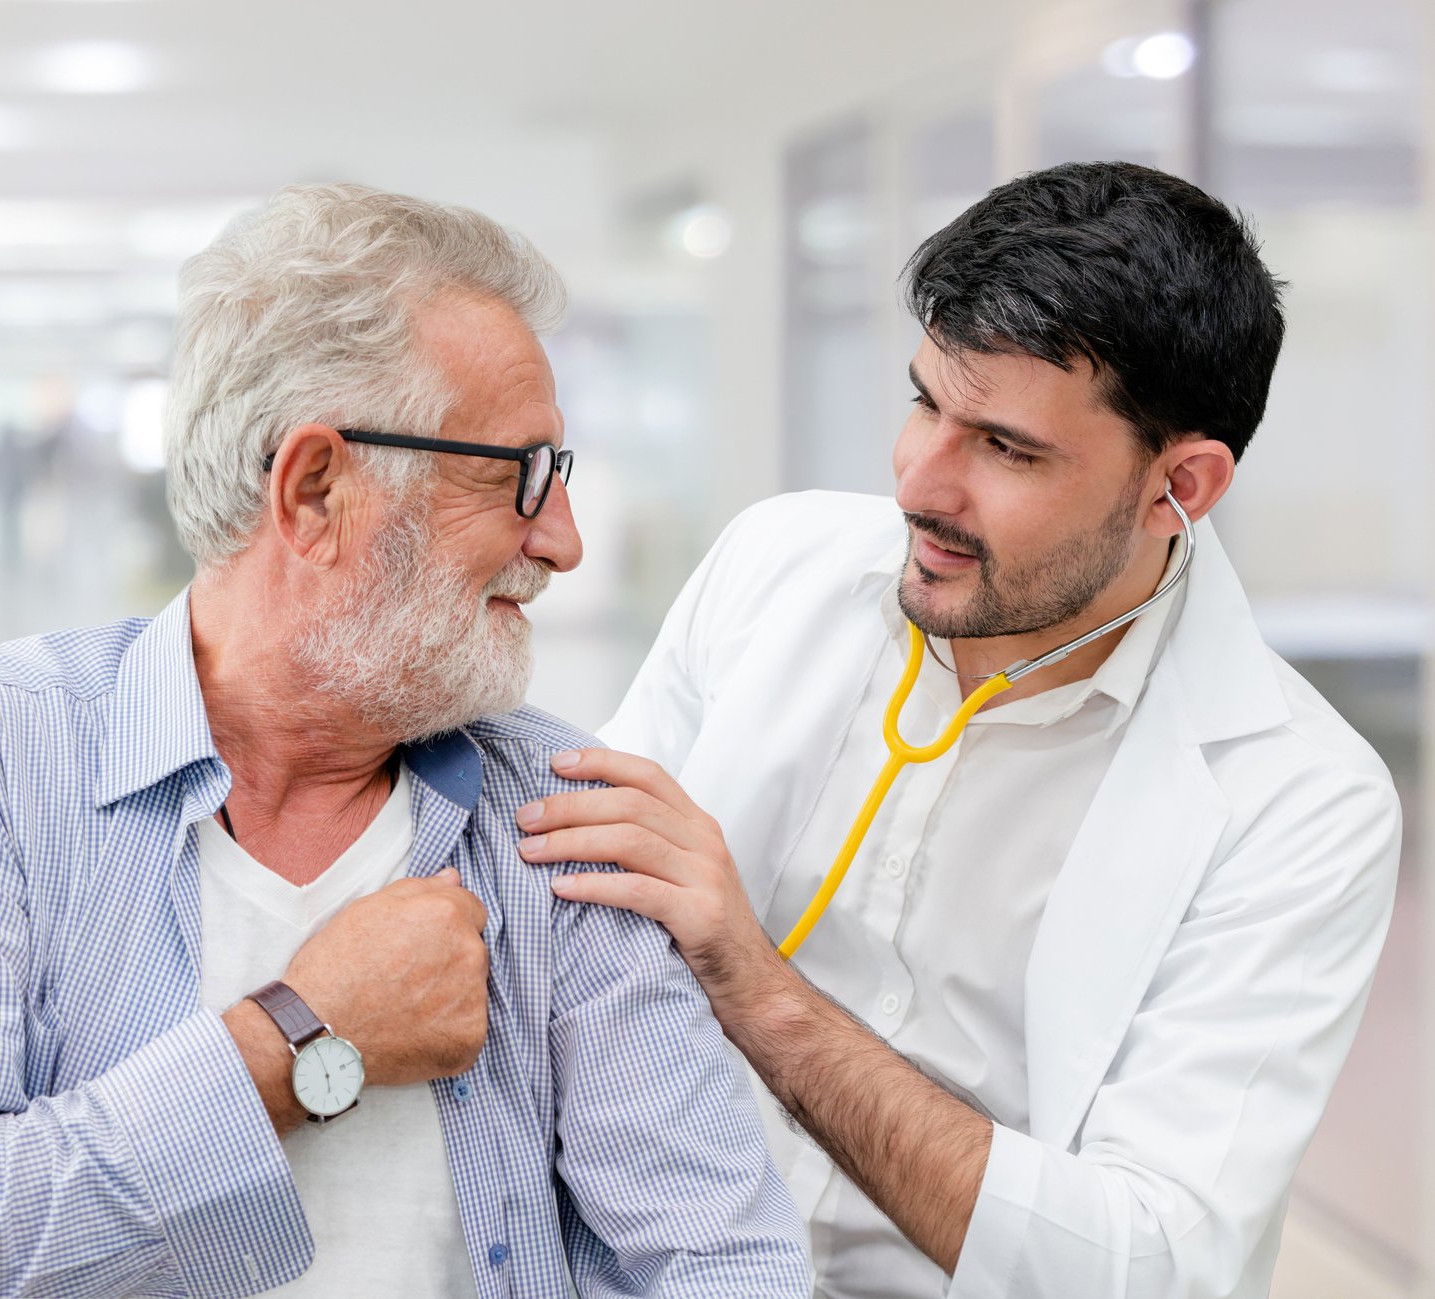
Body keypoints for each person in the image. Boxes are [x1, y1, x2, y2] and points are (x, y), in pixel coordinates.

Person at [0, 183, 809, 1298]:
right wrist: (303, 1040)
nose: (560, 540)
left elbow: (721, 1257)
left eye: (557, 474)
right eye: (515, 472)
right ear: (315, 489)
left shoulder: (559, 816)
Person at [518, 160, 1401, 1297]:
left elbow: (1147, 1263)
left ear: (1178, 485)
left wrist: (758, 989)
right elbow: (587, 914)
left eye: (1005, 448)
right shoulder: (774, 566)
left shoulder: (1295, 804)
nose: (917, 484)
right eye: (925, 401)